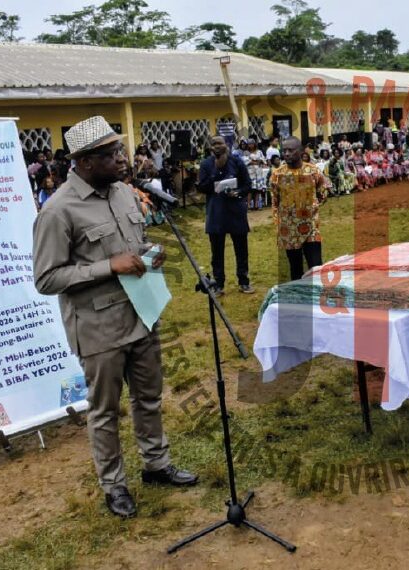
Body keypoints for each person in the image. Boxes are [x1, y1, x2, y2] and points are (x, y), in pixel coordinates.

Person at [32, 116, 197, 519]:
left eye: (120, 151)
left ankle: (156, 465)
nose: (123, 159)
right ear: (85, 162)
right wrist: (110, 266)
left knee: (149, 397)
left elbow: (134, 245)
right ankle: (114, 486)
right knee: (105, 410)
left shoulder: (124, 192)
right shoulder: (58, 211)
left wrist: (147, 253)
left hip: (142, 314)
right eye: (111, 155)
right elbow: (46, 278)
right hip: (98, 328)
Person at [197, 136, 255, 295]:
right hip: (216, 213)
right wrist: (216, 171)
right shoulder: (206, 164)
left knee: (241, 249)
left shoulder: (237, 162)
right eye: (214, 144)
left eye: (220, 143)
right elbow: (201, 187)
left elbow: (248, 185)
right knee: (217, 252)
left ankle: (244, 281)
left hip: (236, 211)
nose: (217, 146)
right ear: (210, 147)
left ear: (226, 145)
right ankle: (219, 284)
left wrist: (238, 193)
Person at [269, 137, 329, 281]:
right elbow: (275, 201)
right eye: (285, 151)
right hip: (288, 229)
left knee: (316, 267)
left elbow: (323, 193)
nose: (287, 154)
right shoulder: (277, 175)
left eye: (291, 150)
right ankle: (299, 297)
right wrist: (280, 223)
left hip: (311, 227)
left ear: (301, 151)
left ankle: (317, 295)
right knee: (295, 270)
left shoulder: (313, 171)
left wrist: (310, 208)